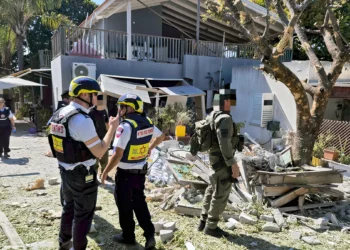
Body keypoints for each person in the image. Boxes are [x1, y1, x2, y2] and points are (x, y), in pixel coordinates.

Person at [48, 76, 119, 250]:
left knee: (68, 208)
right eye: (95, 94)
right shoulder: (82, 120)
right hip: (81, 175)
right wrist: (112, 129)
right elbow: (100, 151)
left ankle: (64, 243)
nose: (97, 98)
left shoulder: (60, 113)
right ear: (85, 95)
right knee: (83, 215)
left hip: (65, 171)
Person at [101, 94, 165, 250]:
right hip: (140, 174)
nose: (119, 110)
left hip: (125, 175)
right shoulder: (148, 123)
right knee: (140, 203)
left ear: (130, 108)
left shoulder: (125, 126)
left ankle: (128, 236)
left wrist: (104, 173)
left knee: (124, 206)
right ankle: (149, 235)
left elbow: (117, 155)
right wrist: (150, 148)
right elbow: (162, 136)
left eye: (121, 106)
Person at [197, 90, 240, 238]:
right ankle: (211, 226)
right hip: (222, 160)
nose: (232, 104)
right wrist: (233, 164)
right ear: (226, 101)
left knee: (212, 188)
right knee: (221, 193)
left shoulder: (212, 115)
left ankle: (203, 221)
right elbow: (225, 142)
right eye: (230, 100)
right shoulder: (224, 118)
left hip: (213, 158)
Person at [88, 95, 111, 181]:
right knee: (95, 159)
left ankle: (104, 174)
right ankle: (94, 176)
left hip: (104, 138)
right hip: (94, 139)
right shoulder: (91, 112)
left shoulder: (104, 111)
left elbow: (107, 124)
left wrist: (109, 136)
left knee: (105, 159)